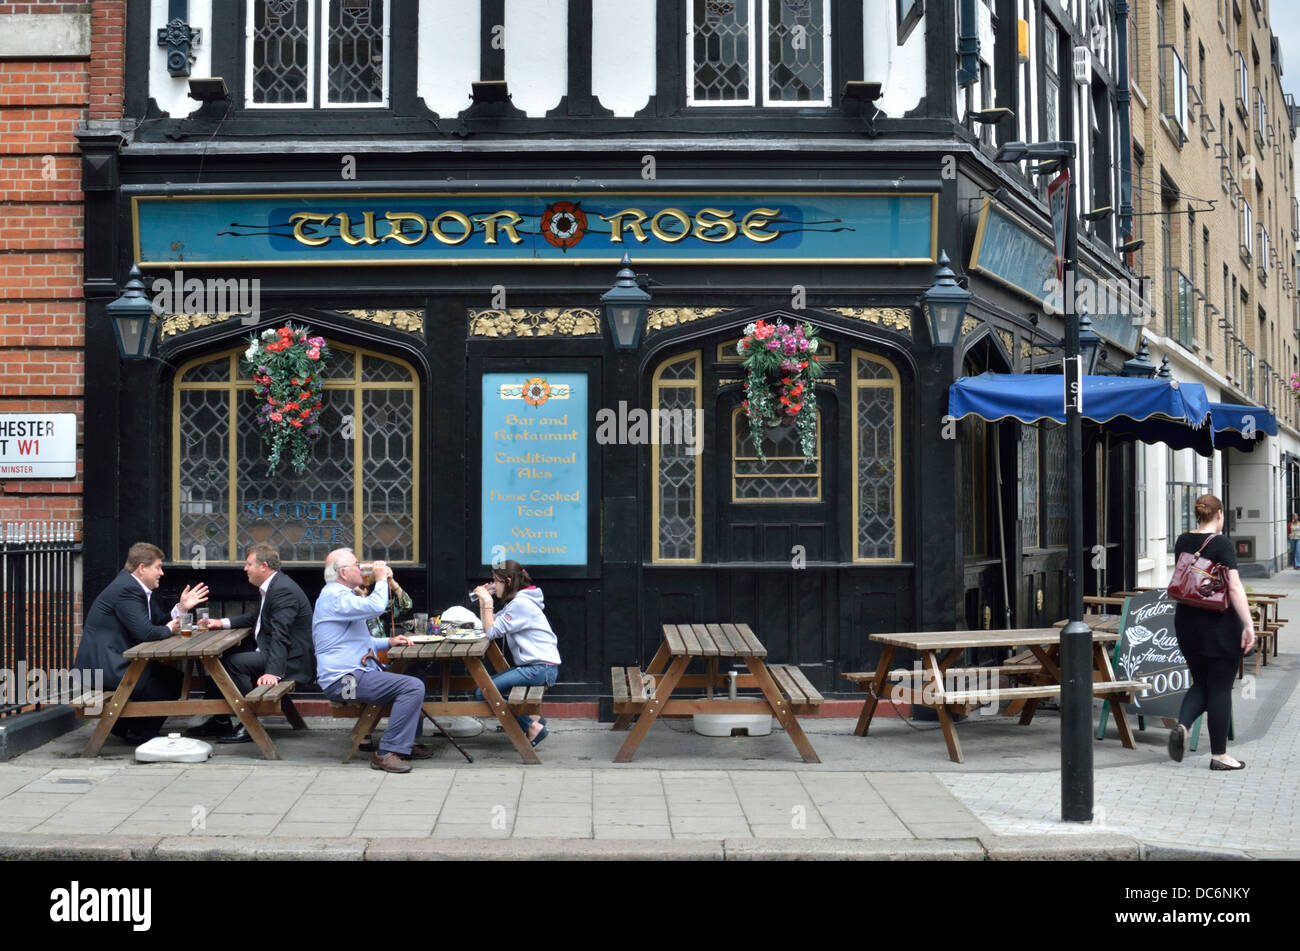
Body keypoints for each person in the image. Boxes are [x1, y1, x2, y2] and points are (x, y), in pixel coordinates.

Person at [73, 542, 209, 744]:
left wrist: (181, 607)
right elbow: (146, 633)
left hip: (117, 663)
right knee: (163, 688)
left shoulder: (134, 587)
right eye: (158, 567)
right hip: (106, 667)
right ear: (142, 568)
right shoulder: (127, 590)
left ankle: (126, 727)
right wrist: (170, 629)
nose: (161, 573)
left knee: (176, 680)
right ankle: (137, 733)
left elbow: (157, 622)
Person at [312, 549, 426, 773]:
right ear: (343, 572)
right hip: (342, 683)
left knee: (414, 674)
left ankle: (406, 743)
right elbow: (376, 606)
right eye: (356, 564)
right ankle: (386, 752)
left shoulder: (341, 595)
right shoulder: (335, 596)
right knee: (412, 687)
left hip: (353, 674)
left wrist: (389, 642)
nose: (361, 567)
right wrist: (382, 578)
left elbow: (360, 642)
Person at [190, 544, 314, 744]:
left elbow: (281, 634)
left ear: (263, 566)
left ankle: (248, 723)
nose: (245, 568)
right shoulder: (273, 586)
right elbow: (256, 617)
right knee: (219, 661)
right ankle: (219, 721)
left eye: (249, 564)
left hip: (290, 661)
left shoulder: (283, 590)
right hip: (276, 652)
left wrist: (273, 672)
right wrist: (220, 623)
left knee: (231, 663)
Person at [1168, 494, 1255, 771]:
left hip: (1186, 623)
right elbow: (1234, 587)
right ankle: (1219, 756)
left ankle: (1182, 726)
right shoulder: (1221, 543)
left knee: (1200, 683)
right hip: (1219, 626)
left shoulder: (1182, 540)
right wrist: (1249, 624)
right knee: (1219, 688)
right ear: (1218, 515)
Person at [471, 560, 560, 747]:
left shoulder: (521, 604)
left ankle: (532, 727)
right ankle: (533, 719)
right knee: (487, 688)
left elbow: (491, 631)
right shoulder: (518, 601)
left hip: (539, 669)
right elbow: (491, 622)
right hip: (539, 667)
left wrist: (488, 601)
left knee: (483, 691)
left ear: (508, 581)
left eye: (496, 581)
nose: (494, 585)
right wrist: (483, 602)